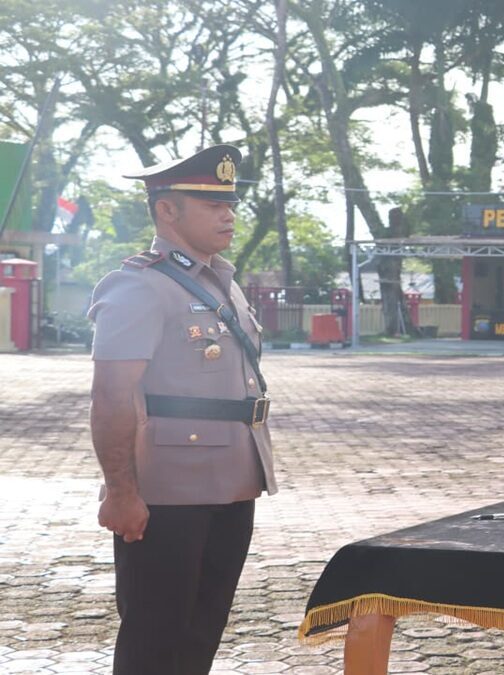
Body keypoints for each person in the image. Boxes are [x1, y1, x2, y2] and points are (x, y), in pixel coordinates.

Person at [88, 145, 277, 674]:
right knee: (154, 641)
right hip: (166, 494)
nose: (228, 215)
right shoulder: (139, 286)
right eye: (211, 204)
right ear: (167, 210)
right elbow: (111, 397)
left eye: (230, 204)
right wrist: (121, 492)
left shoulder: (224, 282)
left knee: (200, 636)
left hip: (233, 484)